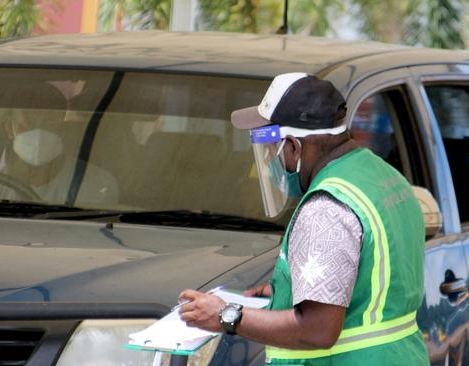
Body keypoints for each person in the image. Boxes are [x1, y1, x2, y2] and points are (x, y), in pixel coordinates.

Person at [178, 73, 428, 365]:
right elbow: (375, 282)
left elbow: (318, 329)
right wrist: (289, 291)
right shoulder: (383, 177)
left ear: (295, 147)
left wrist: (225, 315)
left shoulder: (326, 206)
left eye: (273, 149)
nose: (272, 161)